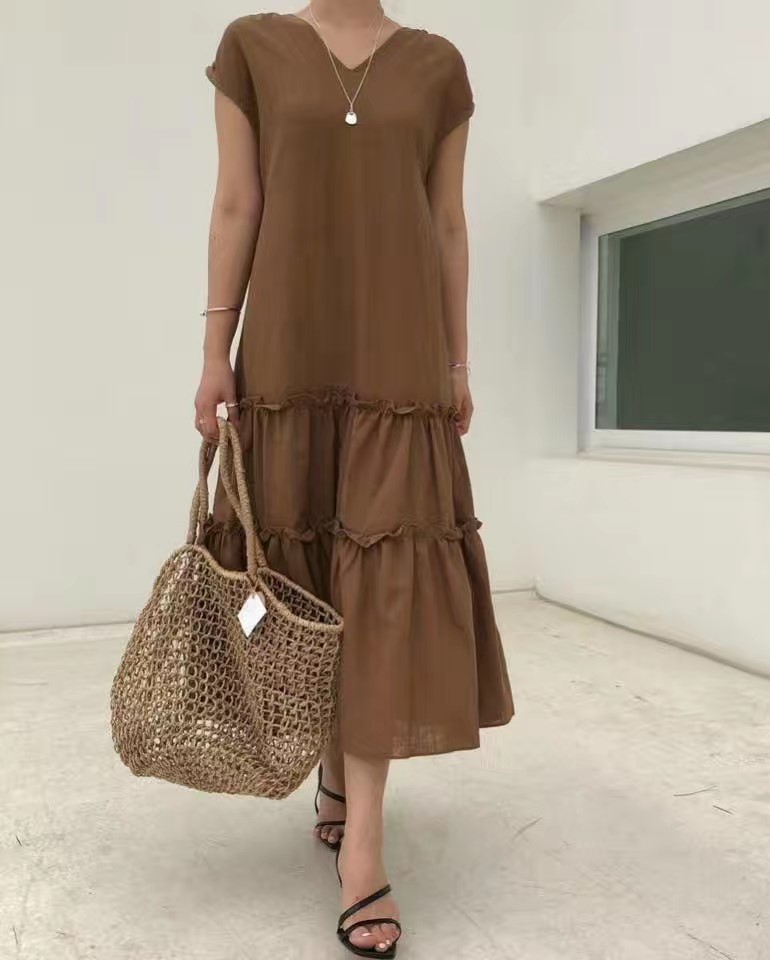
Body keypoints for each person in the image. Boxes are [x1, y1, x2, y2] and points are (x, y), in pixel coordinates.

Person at [196, 2, 514, 955]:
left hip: (398, 361)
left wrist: (457, 364)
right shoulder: (252, 47)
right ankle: (333, 773)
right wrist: (214, 354)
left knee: (379, 589)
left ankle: (364, 846)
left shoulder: (437, 66)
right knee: (296, 580)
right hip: (287, 353)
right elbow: (237, 202)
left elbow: (447, 222)